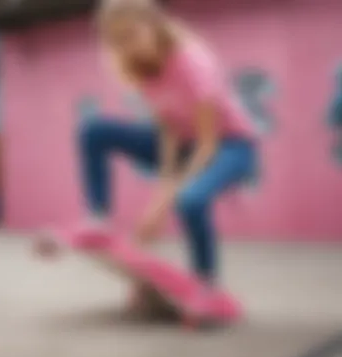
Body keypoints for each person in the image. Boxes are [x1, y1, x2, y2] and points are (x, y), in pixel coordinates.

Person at [36, 0, 257, 306]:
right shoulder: (139, 68)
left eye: (131, 35)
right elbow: (169, 130)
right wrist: (164, 185)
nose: (126, 47)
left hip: (229, 146)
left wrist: (162, 201)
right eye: (116, 41)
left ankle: (206, 283)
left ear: (154, 24)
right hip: (184, 144)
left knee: (190, 200)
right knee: (94, 130)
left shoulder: (193, 61)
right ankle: (97, 217)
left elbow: (207, 144)